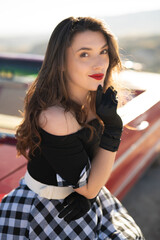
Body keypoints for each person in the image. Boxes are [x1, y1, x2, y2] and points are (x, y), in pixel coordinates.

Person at [0, 17, 145, 239]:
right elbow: (88, 188)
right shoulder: (56, 116)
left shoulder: (93, 101)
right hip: (45, 212)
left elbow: (93, 176)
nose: (98, 63)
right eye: (84, 54)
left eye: (103, 51)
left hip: (87, 198)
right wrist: (113, 129)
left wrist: (89, 193)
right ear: (61, 62)